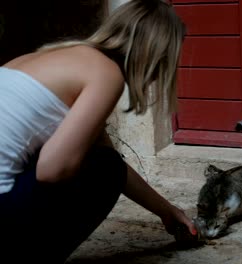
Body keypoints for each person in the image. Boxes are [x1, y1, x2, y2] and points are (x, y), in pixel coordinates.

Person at [0, 0, 196, 262]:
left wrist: (167, 211)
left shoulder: (45, 57)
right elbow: (54, 169)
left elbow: (105, 153)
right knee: (105, 168)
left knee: (102, 162)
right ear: (154, 55)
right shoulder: (106, 73)